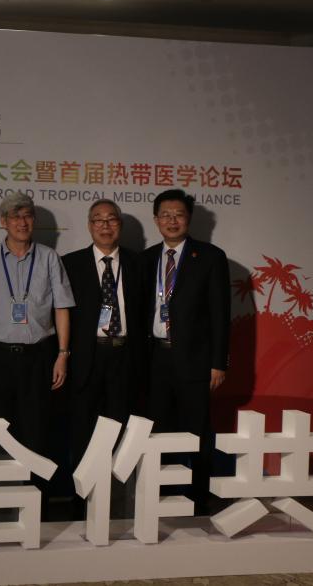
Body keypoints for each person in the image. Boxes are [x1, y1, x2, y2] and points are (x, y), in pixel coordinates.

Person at [144, 188, 230, 514]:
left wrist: (218, 363)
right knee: (158, 432)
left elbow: (221, 315)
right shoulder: (146, 259)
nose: (172, 221)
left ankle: (197, 500)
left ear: (188, 218)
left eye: (178, 214)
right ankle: (161, 499)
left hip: (194, 361)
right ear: (156, 220)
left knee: (197, 433)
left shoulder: (210, 257)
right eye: (165, 215)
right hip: (155, 359)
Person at [0, 192, 74, 461]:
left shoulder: (49, 257)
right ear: (3, 222)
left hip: (38, 358)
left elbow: (62, 308)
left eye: (27, 216)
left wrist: (62, 355)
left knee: (37, 430)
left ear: (34, 220)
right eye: (15, 217)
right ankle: (0, 486)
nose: (22, 222)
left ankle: (36, 487)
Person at [62, 199, 142, 515]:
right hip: (87, 358)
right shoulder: (70, 264)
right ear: (89, 225)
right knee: (83, 431)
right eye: (98, 220)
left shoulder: (138, 263)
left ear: (120, 225)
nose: (105, 226)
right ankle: (81, 502)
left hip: (125, 356)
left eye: (111, 220)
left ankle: (116, 504)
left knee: (122, 431)